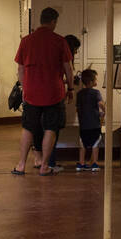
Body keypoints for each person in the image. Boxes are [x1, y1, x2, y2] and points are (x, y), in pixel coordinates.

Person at [12, 7, 72, 176]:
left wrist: (25, 88)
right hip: (54, 93)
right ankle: (44, 166)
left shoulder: (26, 41)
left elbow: (21, 69)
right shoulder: (60, 41)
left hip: (31, 93)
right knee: (50, 129)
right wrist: (71, 88)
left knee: (28, 128)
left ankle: (21, 165)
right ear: (53, 22)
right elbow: (68, 68)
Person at [30, 34, 81, 171]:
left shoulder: (49, 54)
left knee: (42, 128)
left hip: (39, 96)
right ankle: (49, 163)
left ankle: (41, 160)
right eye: (75, 49)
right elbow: (66, 72)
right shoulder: (64, 55)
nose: (76, 52)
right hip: (55, 97)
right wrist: (70, 86)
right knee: (53, 129)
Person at [75, 67, 106, 172]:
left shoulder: (79, 94)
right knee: (95, 144)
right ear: (92, 82)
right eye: (96, 79)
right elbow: (100, 104)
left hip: (83, 125)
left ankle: (81, 163)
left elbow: (77, 109)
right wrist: (105, 111)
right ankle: (94, 163)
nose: (96, 81)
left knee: (82, 144)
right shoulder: (96, 93)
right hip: (95, 124)